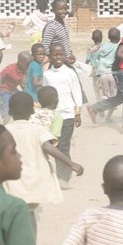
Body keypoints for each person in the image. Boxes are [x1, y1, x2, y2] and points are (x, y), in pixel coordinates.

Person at [2, 92, 81, 225]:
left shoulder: (4, 130)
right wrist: (71, 164)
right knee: (29, 212)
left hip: (12, 179)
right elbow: (49, 148)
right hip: (35, 179)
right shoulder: (38, 130)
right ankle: (30, 241)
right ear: (32, 111)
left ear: (9, 111)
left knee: (13, 212)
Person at [41, 44, 85, 185]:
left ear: (64, 56)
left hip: (67, 114)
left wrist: (77, 112)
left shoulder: (70, 73)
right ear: (50, 57)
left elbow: (76, 92)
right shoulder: (47, 75)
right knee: (52, 146)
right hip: (52, 116)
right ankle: (54, 175)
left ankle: (64, 178)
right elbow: (44, 92)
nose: (58, 57)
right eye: (55, 54)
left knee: (63, 146)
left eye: (61, 54)